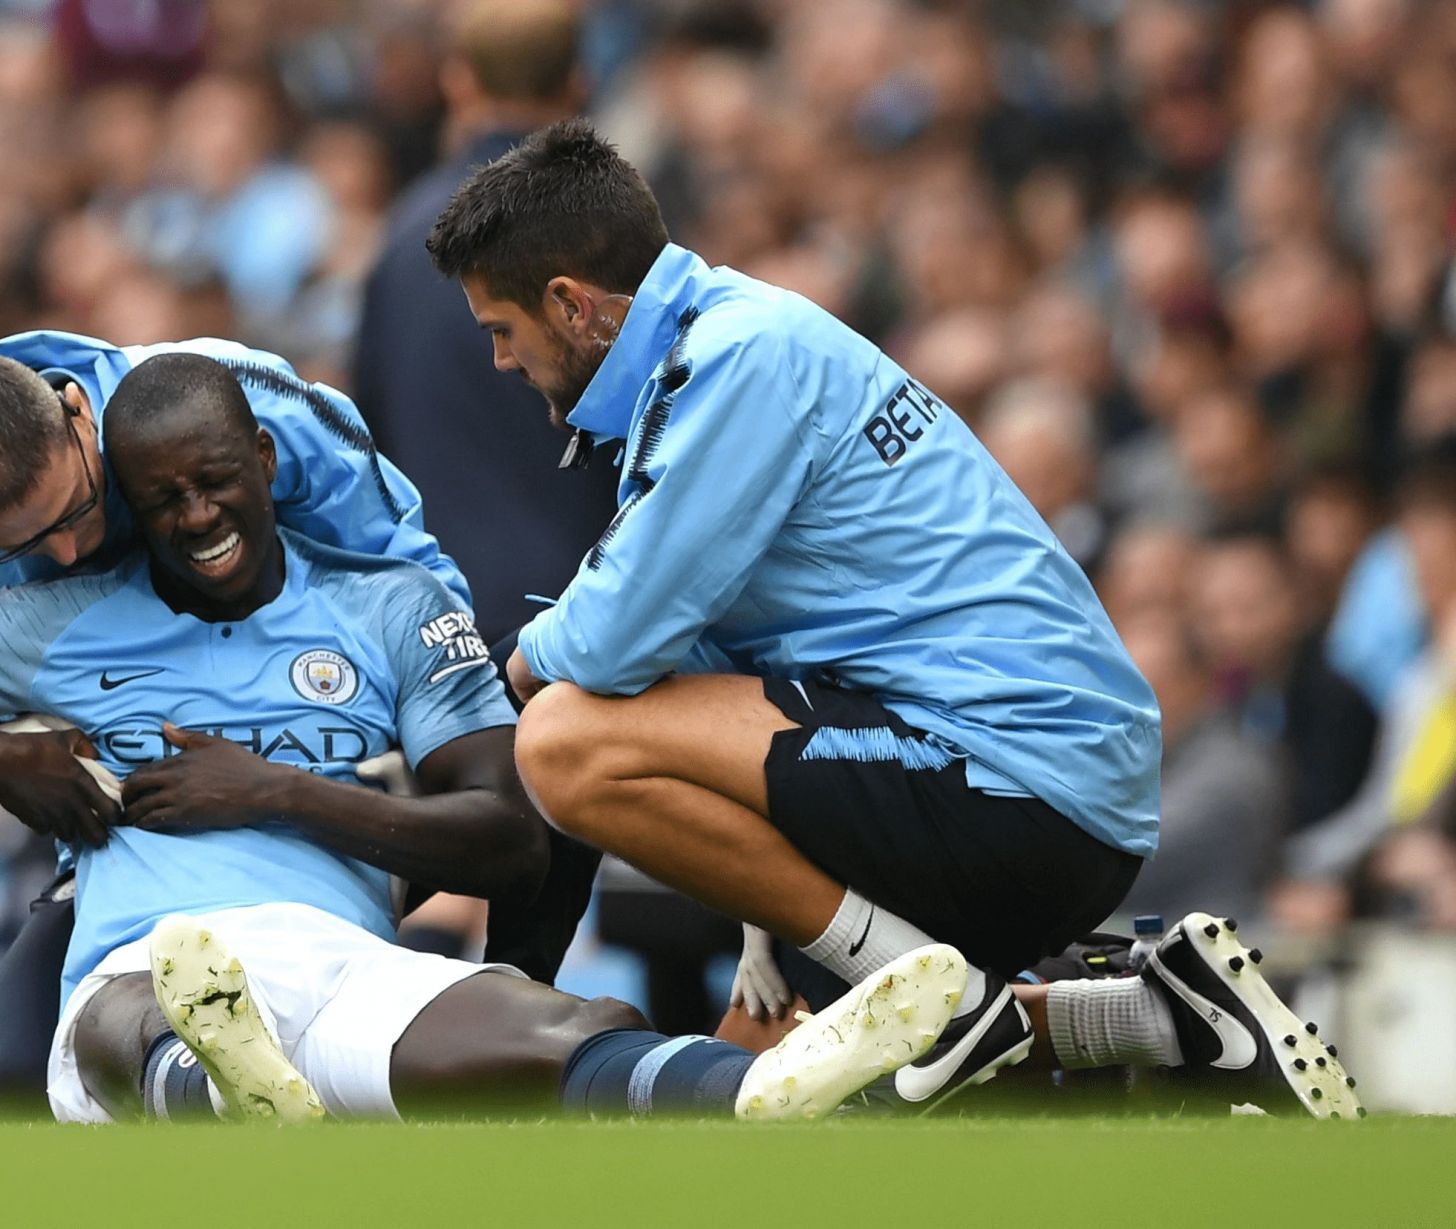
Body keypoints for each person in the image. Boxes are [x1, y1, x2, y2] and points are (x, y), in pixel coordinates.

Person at [423, 120, 1360, 1118]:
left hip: (1019, 781)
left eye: (500, 330)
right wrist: (537, 980)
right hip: (1014, 774)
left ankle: (948, 1008)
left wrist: (496, 681)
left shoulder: (737, 358)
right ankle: (1164, 1019)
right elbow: (675, 672)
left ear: (570, 306)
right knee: (774, 1066)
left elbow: (597, 655)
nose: (498, 363)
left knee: (569, 735)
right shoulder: (722, 351)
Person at [0, 353, 968, 1123]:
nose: (106, 539)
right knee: (105, 1030)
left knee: (547, 1031)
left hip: (337, 944)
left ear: (262, 467)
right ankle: (213, 1088)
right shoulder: (27, 612)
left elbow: (498, 797)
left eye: (90, 513)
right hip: (134, 940)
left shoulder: (369, 581)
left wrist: (277, 788)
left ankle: (765, 1088)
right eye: (158, 495)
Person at [0, 329, 472, 1106]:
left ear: (77, 414)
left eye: (80, 508)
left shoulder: (232, 401)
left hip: (330, 766)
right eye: (23, 545)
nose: (69, 552)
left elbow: (421, 589)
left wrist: (380, 787)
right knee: (20, 1068)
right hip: (131, 832)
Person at [352, 0, 620, 1008]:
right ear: (581, 84)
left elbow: (365, 452)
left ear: (459, 81)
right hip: (590, 615)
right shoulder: (613, 240)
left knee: (462, 856)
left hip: (438, 620)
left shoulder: (395, 249)